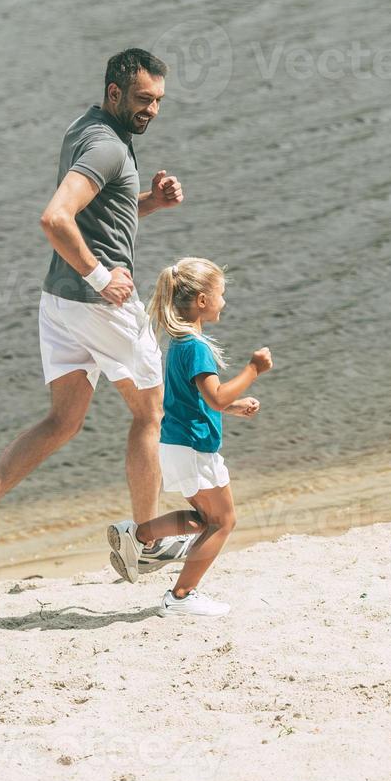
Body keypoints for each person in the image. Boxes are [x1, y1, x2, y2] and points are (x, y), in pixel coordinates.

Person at [0, 48, 193, 587]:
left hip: (59, 302)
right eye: (144, 99)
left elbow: (97, 210)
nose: (153, 111)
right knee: (151, 413)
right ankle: (145, 540)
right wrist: (102, 277)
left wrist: (147, 202)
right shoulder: (105, 146)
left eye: (160, 101)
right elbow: (55, 218)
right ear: (115, 92)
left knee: (63, 420)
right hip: (100, 305)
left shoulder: (89, 127)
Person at [107, 257, 272, 618]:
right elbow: (214, 396)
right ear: (201, 300)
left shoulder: (180, 344)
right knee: (223, 522)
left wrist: (232, 407)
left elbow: (194, 401)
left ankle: (139, 535)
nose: (224, 302)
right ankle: (181, 595)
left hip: (177, 445)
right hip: (196, 449)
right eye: (221, 294)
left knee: (202, 520)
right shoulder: (196, 346)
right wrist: (252, 370)